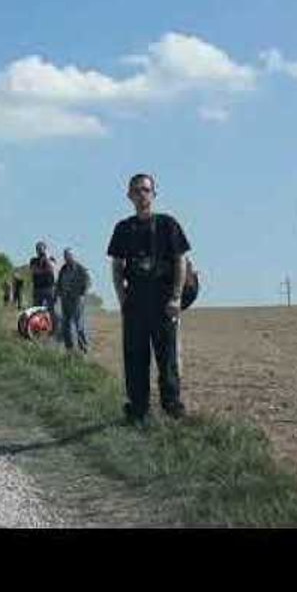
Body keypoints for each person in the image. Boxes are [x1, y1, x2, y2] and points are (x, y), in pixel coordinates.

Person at [107, 173, 192, 425]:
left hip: (164, 301)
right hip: (135, 303)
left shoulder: (168, 225)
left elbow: (181, 260)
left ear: (154, 194)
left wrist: (176, 297)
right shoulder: (123, 228)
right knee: (135, 358)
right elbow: (116, 265)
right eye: (136, 190)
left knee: (167, 359)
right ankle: (137, 410)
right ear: (129, 196)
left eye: (145, 189)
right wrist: (122, 298)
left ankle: (172, 408)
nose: (141, 194)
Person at [57, 248, 91, 354]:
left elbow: (87, 282)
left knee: (78, 323)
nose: (67, 258)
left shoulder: (80, 269)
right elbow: (59, 281)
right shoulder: (63, 268)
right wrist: (58, 292)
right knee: (65, 323)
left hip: (76, 300)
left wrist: (82, 294)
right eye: (65, 256)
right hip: (65, 299)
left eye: (69, 255)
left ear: (73, 256)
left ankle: (84, 347)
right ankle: (69, 348)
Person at [29, 241, 58, 332]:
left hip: (49, 288)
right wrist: (44, 269)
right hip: (37, 288)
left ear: (45, 249)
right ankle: (37, 328)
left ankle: (53, 329)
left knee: (51, 310)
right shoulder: (33, 260)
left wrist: (46, 258)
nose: (40, 251)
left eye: (41, 249)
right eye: (38, 249)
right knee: (36, 310)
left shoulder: (51, 259)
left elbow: (51, 268)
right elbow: (34, 271)